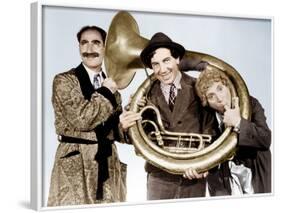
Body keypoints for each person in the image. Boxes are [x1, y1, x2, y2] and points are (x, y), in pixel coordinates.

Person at [120, 32, 213, 200]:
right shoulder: (144, 95)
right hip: (159, 177)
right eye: (155, 64)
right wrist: (126, 127)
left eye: (166, 60)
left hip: (192, 175)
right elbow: (137, 139)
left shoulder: (198, 87)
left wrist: (205, 164)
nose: (162, 70)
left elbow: (211, 129)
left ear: (177, 59)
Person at [47, 26, 127, 206]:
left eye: (96, 43)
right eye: (84, 43)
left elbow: (116, 133)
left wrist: (126, 125)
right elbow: (82, 119)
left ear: (106, 48)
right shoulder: (64, 81)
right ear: (79, 48)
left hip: (107, 163)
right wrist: (107, 91)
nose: (89, 49)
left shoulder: (112, 88)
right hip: (75, 163)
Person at [195, 67, 271, 195]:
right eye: (211, 96)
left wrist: (238, 122)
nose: (219, 98)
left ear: (228, 86)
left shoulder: (251, 103)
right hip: (224, 182)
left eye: (220, 89)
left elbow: (265, 139)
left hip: (255, 176)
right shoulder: (206, 118)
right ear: (206, 102)